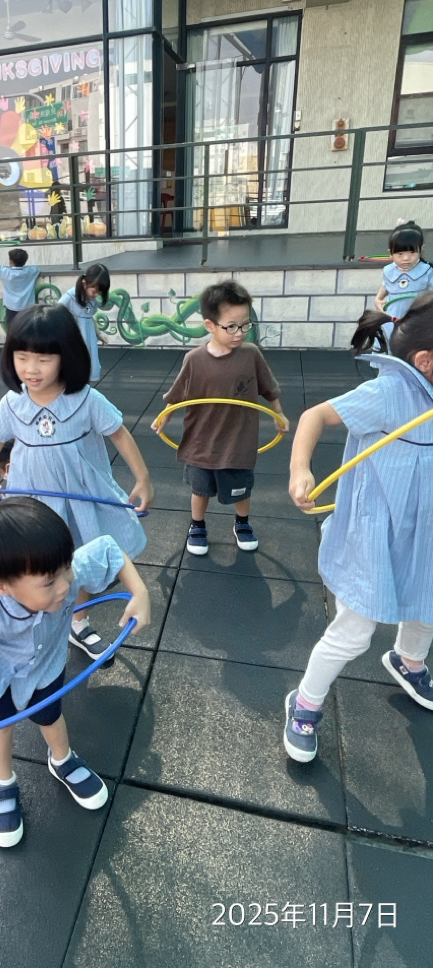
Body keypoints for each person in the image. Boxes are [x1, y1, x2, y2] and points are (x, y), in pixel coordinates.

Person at [0, 497, 150, 847]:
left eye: (66, 569)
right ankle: (2, 781)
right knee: (1, 726)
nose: (65, 586)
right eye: (49, 582)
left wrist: (140, 592)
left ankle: (62, 759)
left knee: (50, 715)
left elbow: (110, 550)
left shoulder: (61, 572)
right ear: (2, 586)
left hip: (45, 667)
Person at [285, 294, 433, 763]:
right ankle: (304, 702)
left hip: (423, 528)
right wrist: (300, 470)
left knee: (427, 602)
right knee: (354, 630)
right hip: (375, 531)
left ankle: (408, 661)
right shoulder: (389, 394)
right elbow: (314, 416)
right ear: (426, 361)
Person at [0, 304, 154, 661]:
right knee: (35, 563)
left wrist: (143, 478)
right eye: (22, 358)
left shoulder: (85, 400)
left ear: (66, 356)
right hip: (34, 503)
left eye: (43, 359)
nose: (31, 369)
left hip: (79, 498)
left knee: (76, 559)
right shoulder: (12, 403)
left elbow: (119, 433)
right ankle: (36, 624)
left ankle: (78, 622)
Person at [152, 280, 288, 556]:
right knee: (200, 489)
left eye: (245, 325)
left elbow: (268, 387)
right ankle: (197, 525)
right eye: (231, 326)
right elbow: (178, 393)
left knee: (241, 488)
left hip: (238, 440)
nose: (240, 333)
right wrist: (165, 416)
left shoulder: (251, 354)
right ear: (210, 325)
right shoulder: (194, 359)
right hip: (201, 441)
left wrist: (278, 412)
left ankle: (242, 522)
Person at [374, 221, 433, 337]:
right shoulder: (389, 271)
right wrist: (378, 300)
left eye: (412, 252)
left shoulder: (427, 271)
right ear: (390, 253)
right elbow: (385, 286)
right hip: (392, 320)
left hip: (417, 323)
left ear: (421, 249)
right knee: (389, 343)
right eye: (400, 254)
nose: (406, 258)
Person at [58, 264, 111, 383]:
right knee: (74, 370)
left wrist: (99, 334)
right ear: (84, 283)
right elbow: (55, 315)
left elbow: (90, 317)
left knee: (87, 368)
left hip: (88, 340)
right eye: (94, 291)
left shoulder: (92, 300)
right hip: (74, 341)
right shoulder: (69, 297)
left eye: (99, 293)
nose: (96, 295)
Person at [0, 244, 40, 326]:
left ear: (11, 261)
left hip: (11, 308)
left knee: (12, 330)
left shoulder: (6, 272)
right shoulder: (31, 271)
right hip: (27, 308)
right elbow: (36, 268)